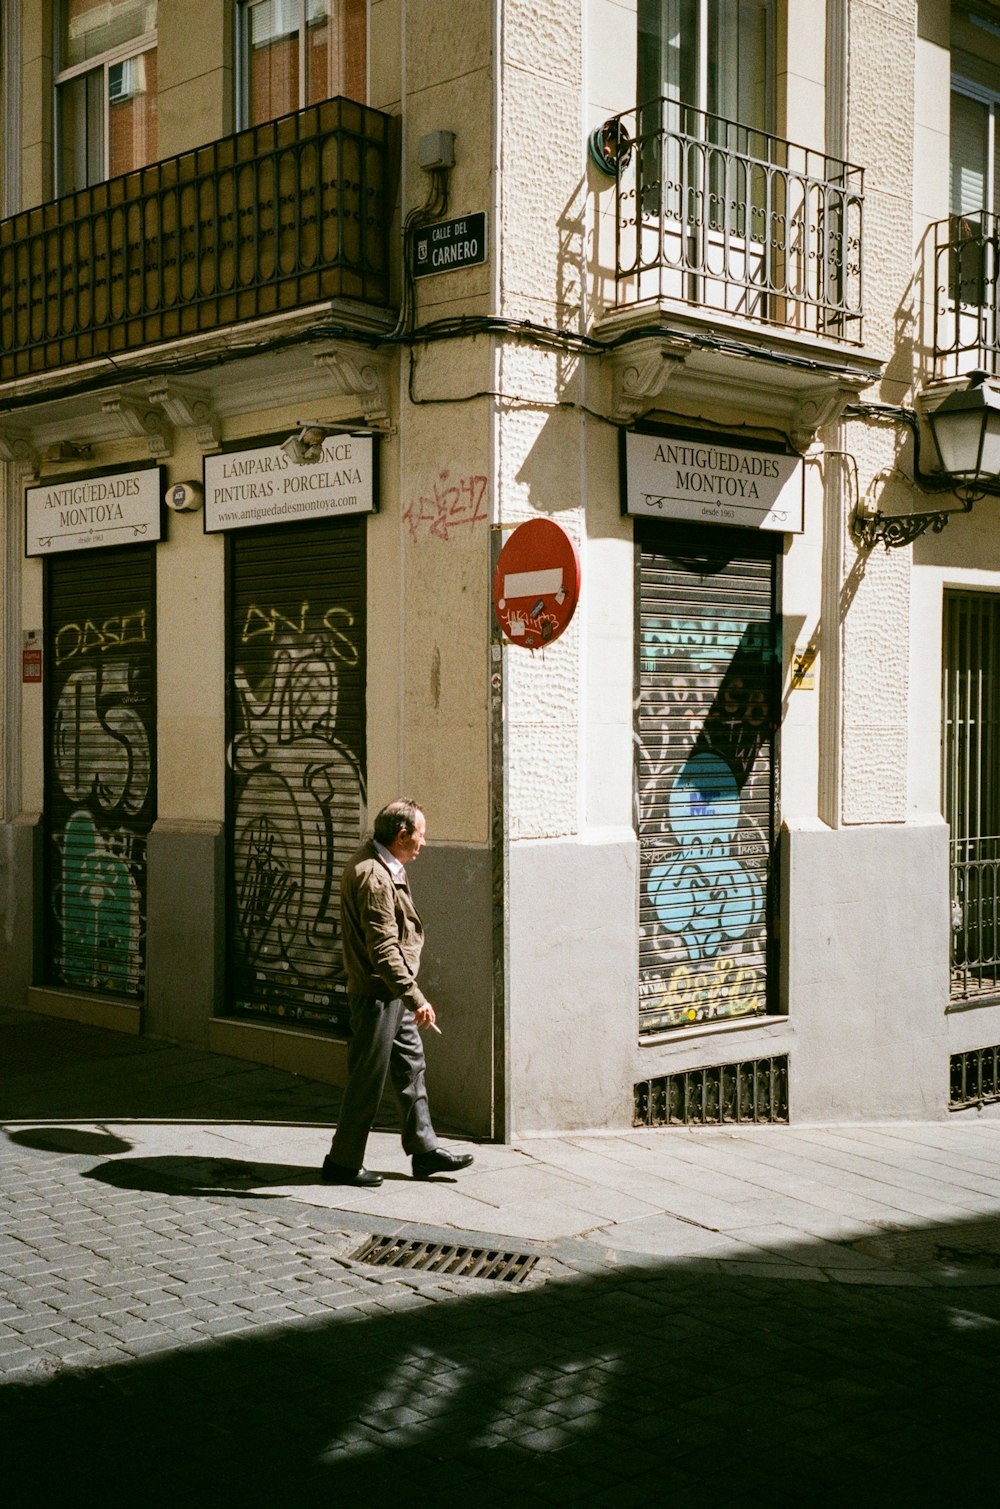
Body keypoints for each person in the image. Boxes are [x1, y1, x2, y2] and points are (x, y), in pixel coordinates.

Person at [321, 798, 475, 1188]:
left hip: (392, 994)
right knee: (366, 1080)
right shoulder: (374, 876)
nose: (424, 842)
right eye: (420, 834)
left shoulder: (386, 865)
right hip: (379, 994)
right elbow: (384, 948)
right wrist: (416, 997)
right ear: (402, 835)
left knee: (411, 1068)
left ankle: (424, 1151)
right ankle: (342, 1162)